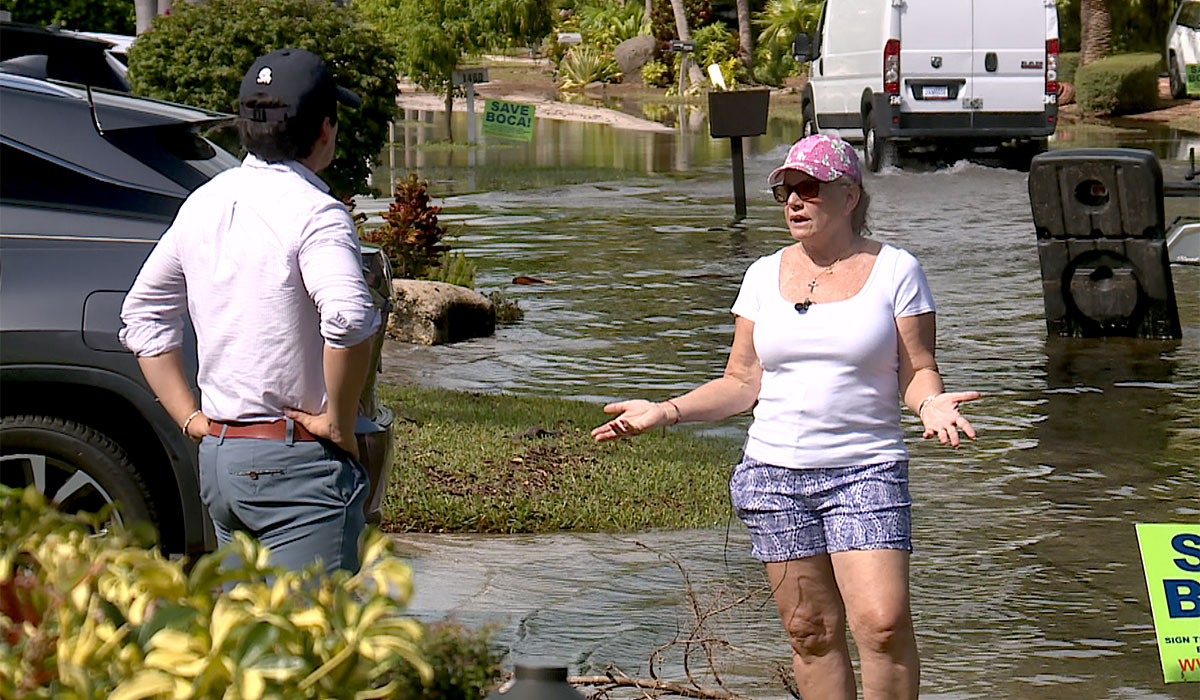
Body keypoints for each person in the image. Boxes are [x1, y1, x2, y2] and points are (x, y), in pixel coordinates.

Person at [591, 134, 978, 699]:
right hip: (773, 476)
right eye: (786, 191)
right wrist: (666, 411)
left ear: (849, 196)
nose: (795, 200)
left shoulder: (897, 269)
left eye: (809, 188)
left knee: (883, 622)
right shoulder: (760, 275)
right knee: (810, 632)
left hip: (865, 470)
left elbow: (917, 368)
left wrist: (930, 401)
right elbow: (741, 382)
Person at [120, 48, 379, 574]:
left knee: (247, 643)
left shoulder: (204, 202)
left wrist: (191, 419)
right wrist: (339, 420)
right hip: (298, 467)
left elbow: (142, 315)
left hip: (221, 463)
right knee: (311, 648)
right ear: (325, 130)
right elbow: (349, 317)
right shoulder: (317, 214)